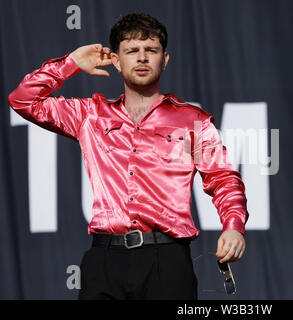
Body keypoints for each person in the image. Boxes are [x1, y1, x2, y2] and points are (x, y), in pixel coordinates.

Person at [8, 12, 248, 300]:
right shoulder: (90, 115)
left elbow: (223, 178)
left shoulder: (191, 120)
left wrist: (233, 227)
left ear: (165, 59)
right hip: (105, 260)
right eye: (132, 51)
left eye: (151, 50)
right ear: (117, 61)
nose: (142, 58)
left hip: (167, 260)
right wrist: (71, 64)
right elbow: (23, 100)